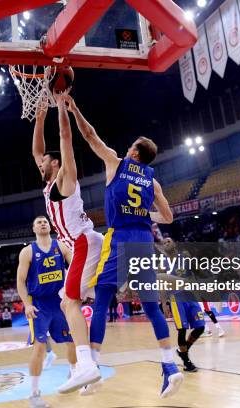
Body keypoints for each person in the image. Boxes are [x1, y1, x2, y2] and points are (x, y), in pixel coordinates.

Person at [63, 93, 183, 398]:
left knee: (102, 300)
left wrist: (75, 108)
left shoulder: (116, 163)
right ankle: (170, 366)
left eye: (131, 146)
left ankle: (94, 371)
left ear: (134, 152)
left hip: (118, 239)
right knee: (152, 306)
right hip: (143, 239)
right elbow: (167, 216)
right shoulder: (152, 182)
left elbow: (89, 136)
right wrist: (145, 212)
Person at [32, 94, 103, 393]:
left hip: (84, 243)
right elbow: (36, 150)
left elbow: (65, 136)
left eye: (45, 161)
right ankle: (88, 365)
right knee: (75, 301)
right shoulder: (49, 184)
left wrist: (62, 108)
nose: (40, 162)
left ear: (55, 163)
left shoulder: (64, 180)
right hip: (81, 248)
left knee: (69, 302)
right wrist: (38, 117)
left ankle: (86, 365)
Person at [17, 216, 78, 407]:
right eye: (39, 222)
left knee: (73, 340)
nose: (43, 223)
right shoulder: (27, 252)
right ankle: (34, 394)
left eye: (45, 221)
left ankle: (74, 373)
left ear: (50, 226)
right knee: (40, 347)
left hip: (60, 302)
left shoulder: (61, 247)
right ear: (33, 228)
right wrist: (27, 304)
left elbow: (76, 267)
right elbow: (20, 281)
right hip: (39, 304)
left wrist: (74, 292)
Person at [160, 237, 205, 372]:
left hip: (190, 295)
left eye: (169, 241)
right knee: (182, 330)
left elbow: (197, 273)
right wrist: (164, 304)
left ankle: (182, 351)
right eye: (164, 243)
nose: (166, 243)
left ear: (174, 243)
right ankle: (187, 362)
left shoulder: (184, 257)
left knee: (200, 327)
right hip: (175, 297)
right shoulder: (163, 264)